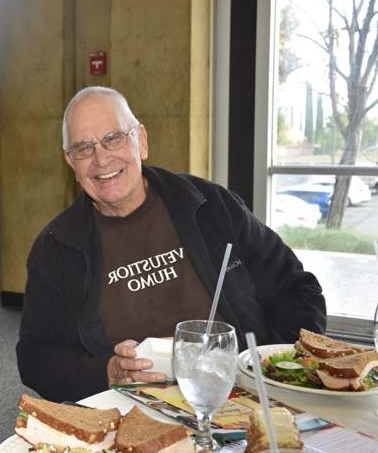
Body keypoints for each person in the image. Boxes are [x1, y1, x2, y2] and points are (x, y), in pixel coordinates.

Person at [16, 86, 326, 402]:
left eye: (113, 138)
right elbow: (36, 358)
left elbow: (298, 290)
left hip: (240, 391)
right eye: (83, 148)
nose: (101, 158)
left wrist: (276, 371)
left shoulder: (212, 207)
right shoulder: (56, 248)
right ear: (70, 162)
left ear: (142, 141)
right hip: (131, 406)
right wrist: (108, 372)